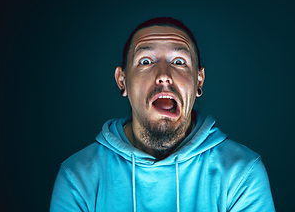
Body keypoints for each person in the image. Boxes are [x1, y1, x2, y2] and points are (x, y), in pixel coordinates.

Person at [50, 17, 276, 211]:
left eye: (179, 62)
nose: (164, 75)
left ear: (199, 81)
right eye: (146, 61)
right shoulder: (77, 177)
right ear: (122, 81)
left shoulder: (242, 172)